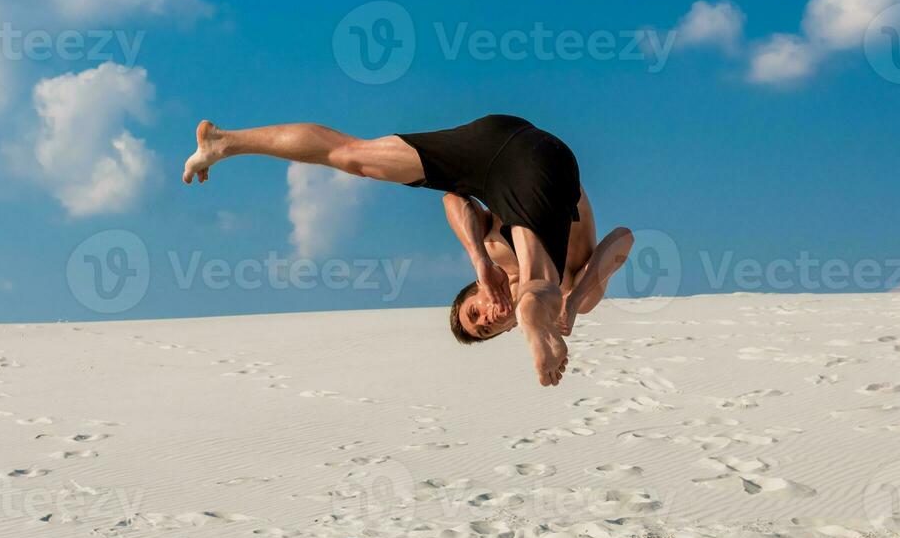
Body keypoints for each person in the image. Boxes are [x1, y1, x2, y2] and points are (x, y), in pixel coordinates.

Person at [182, 114, 633, 387]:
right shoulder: (573, 289)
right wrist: (571, 309)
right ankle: (223, 142)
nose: (486, 317)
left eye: (473, 315)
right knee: (541, 282)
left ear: (472, 294)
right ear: (504, 330)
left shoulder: (492, 249)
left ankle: (225, 142)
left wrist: (479, 260)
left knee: (351, 155)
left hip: (492, 145)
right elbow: (622, 240)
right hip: (545, 165)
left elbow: (455, 198)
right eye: (486, 329)